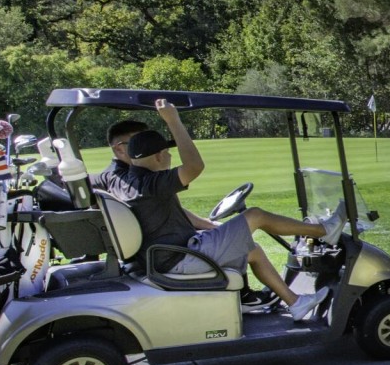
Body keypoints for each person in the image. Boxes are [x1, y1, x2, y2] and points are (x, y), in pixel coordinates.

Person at [114, 100, 342, 321]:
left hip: (169, 253)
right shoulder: (152, 184)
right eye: (168, 153)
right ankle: (323, 231)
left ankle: (295, 303)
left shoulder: (129, 182)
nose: (171, 157)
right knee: (255, 215)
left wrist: (208, 224)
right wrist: (173, 120)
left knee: (252, 249)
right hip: (178, 259)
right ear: (160, 156)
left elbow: (173, 213)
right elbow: (194, 166)